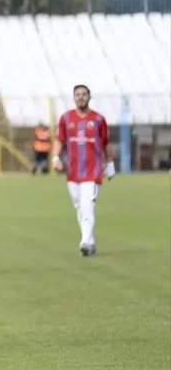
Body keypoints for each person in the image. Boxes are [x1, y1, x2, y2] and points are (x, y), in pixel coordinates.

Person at [51, 84, 114, 256]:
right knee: (80, 207)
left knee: (87, 206)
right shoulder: (66, 118)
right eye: (77, 94)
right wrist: (55, 158)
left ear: (89, 97)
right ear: (74, 97)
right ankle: (90, 240)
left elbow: (106, 143)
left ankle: (84, 241)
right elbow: (58, 140)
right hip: (72, 172)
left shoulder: (99, 120)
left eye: (84, 94)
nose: (81, 97)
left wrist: (109, 164)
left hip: (92, 172)